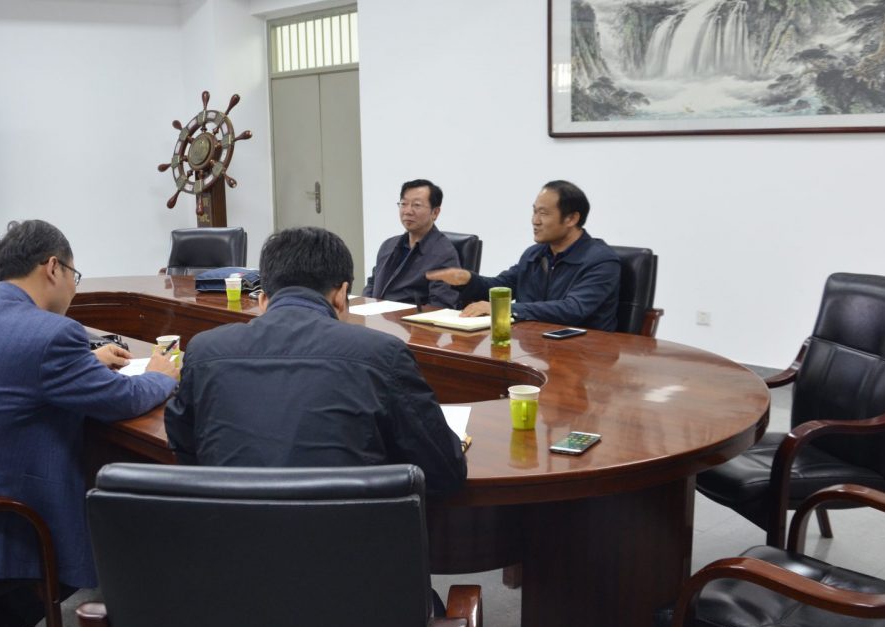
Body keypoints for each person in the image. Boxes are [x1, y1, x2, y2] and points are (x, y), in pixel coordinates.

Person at [0, 219, 179, 627]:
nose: (73, 289)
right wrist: (161, 374)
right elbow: (121, 400)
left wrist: (86, 363)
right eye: (73, 275)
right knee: (116, 526)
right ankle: (1, 622)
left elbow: (13, 364)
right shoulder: (51, 335)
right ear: (53, 267)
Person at [165, 226, 467, 497]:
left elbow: (185, 447)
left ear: (263, 300)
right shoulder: (382, 354)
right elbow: (444, 472)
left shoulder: (204, 351)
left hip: (228, 534)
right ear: (342, 295)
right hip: (348, 538)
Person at [426, 180, 621, 331]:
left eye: (543, 213)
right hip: (534, 344)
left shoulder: (601, 261)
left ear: (571, 218)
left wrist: (504, 309)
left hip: (584, 352)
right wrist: (468, 280)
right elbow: (501, 286)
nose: (535, 221)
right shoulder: (535, 254)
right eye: (534, 212)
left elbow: (573, 309)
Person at [363, 178, 461, 308]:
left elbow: (440, 306)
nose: (408, 211)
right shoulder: (388, 245)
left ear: (435, 212)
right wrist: (365, 308)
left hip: (409, 320)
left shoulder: (443, 254)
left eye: (417, 205)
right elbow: (372, 283)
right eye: (404, 204)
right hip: (375, 317)